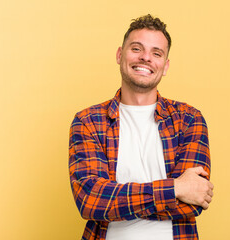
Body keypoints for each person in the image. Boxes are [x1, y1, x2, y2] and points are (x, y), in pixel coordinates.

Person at [69, 14, 214, 240]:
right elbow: (91, 201)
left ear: (164, 66)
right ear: (120, 55)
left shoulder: (189, 120)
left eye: (156, 53)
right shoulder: (88, 121)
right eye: (136, 49)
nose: (146, 58)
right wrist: (175, 188)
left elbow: (193, 203)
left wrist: (117, 199)